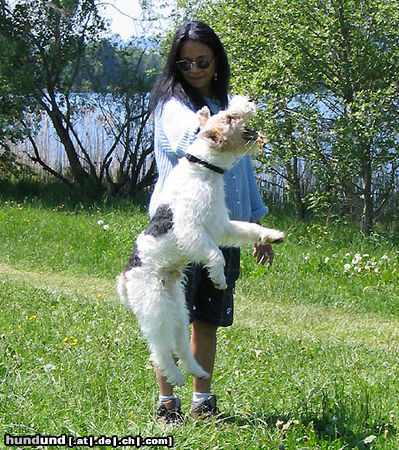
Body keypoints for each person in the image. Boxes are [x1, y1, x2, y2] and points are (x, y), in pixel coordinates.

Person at [149, 21, 275, 424]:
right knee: (172, 320)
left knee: (207, 320)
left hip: (220, 230)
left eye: (203, 60)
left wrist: (257, 227)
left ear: (216, 60)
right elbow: (194, 141)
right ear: (176, 66)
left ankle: (202, 403)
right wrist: (229, 123)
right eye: (185, 63)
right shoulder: (172, 107)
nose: (195, 69)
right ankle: (167, 405)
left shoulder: (220, 106)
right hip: (177, 235)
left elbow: (243, 174)